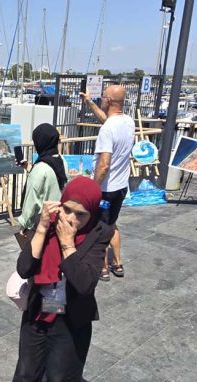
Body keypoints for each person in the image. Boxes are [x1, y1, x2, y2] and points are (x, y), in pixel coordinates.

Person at [0, 176, 113, 382]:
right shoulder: (48, 222)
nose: (71, 218)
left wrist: (68, 243)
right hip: (39, 308)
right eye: (67, 209)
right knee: (26, 370)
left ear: (92, 213)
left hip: (72, 317)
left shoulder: (100, 233)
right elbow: (24, 268)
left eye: (80, 214)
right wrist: (41, 228)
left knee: (62, 376)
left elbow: (84, 283)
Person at [81, 84, 131, 280]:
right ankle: (117, 263)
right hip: (121, 187)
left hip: (105, 190)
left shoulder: (107, 130)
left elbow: (104, 165)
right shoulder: (127, 121)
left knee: (98, 227)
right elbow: (107, 120)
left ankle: (102, 267)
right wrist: (89, 102)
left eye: (102, 96)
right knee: (112, 224)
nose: (101, 99)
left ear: (108, 100)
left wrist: (92, 188)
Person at [18, 123, 68, 230]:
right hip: (58, 219)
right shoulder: (61, 161)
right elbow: (50, 178)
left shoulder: (40, 168)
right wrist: (28, 167)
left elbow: (31, 200)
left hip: (42, 223)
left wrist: (24, 225)